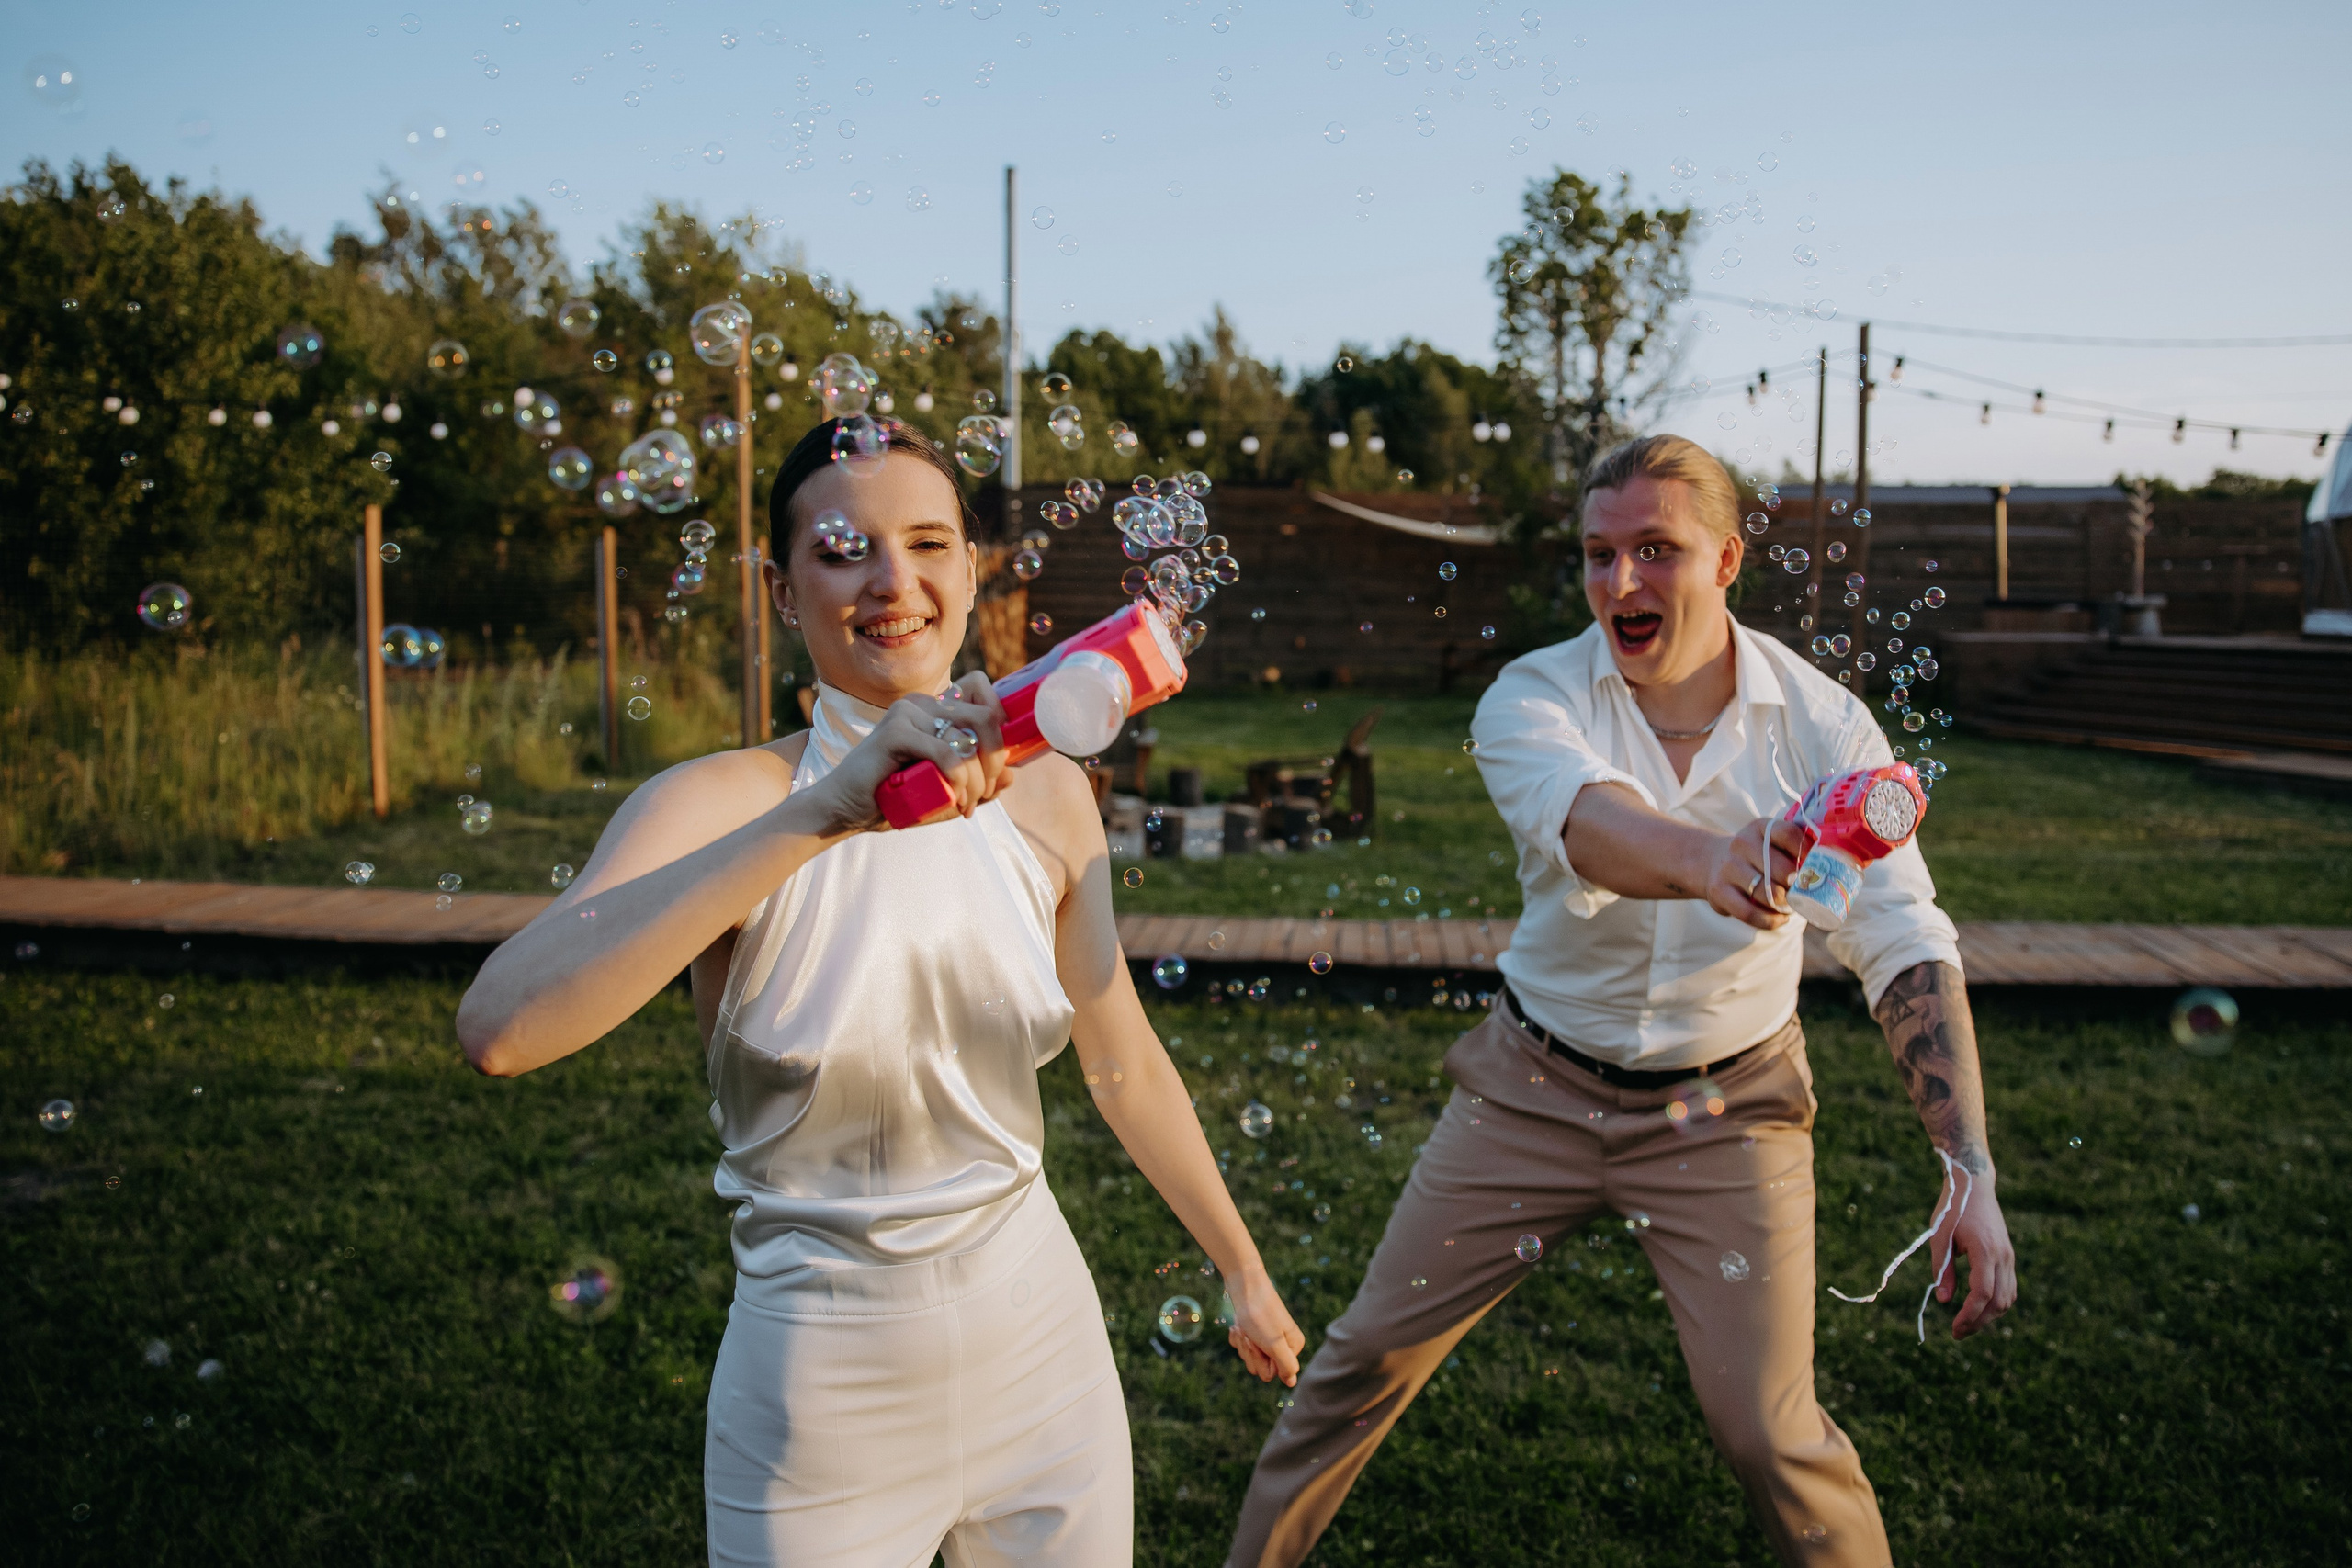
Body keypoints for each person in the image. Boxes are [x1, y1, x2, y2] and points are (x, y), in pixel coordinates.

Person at [457, 419, 1305, 1568]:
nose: (893, 582)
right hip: (821, 1398)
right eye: (845, 549)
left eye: (928, 544)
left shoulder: (1049, 793)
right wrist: (824, 810)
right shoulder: (724, 804)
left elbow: (1123, 1060)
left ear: (970, 570)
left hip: (1043, 1353)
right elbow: (500, 1030)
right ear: (778, 586)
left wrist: (1241, 1266)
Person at [1223, 435, 2017, 1567]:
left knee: (1769, 1432)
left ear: (1729, 559)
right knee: (1359, 1367)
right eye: (1600, 555)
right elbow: (1586, 819)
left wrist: (1967, 1172)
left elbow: (1899, 939)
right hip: (1528, 1094)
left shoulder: (1824, 726)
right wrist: (1709, 860)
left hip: (1730, 1110)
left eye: (1657, 551)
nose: (1621, 585)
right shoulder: (1531, 695)